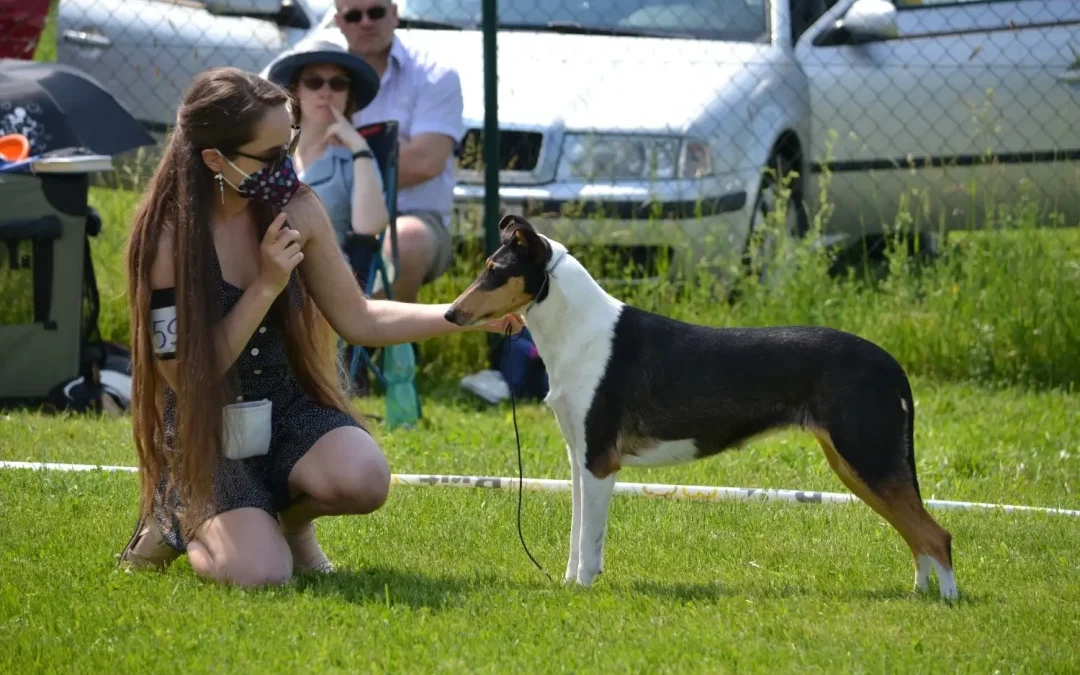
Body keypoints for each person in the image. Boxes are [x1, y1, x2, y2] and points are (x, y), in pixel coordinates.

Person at [117, 67, 522, 587]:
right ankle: (177, 510)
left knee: (366, 477)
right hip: (206, 428)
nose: (285, 167)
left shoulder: (298, 208)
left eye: (289, 146)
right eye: (269, 158)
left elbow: (360, 318)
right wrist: (266, 285)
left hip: (286, 406)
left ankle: (286, 521)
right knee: (262, 575)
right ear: (215, 160)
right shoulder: (167, 237)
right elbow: (183, 376)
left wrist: (461, 317)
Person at [334, 0, 465, 303]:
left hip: (415, 217)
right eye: (353, 16)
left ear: (394, 14)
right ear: (339, 22)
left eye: (376, 12)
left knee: (406, 240)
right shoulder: (323, 75)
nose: (366, 22)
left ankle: (379, 331)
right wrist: (387, 148)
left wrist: (346, 148)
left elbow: (425, 162)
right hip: (333, 210)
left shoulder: (435, 74)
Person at [263, 37, 388, 285]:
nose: (326, 92)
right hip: (264, 270)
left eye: (338, 84)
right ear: (296, 90)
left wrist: (360, 147)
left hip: (324, 281)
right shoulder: (270, 151)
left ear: (348, 95)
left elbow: (369, 226)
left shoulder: (357, 158)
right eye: (314, 82)